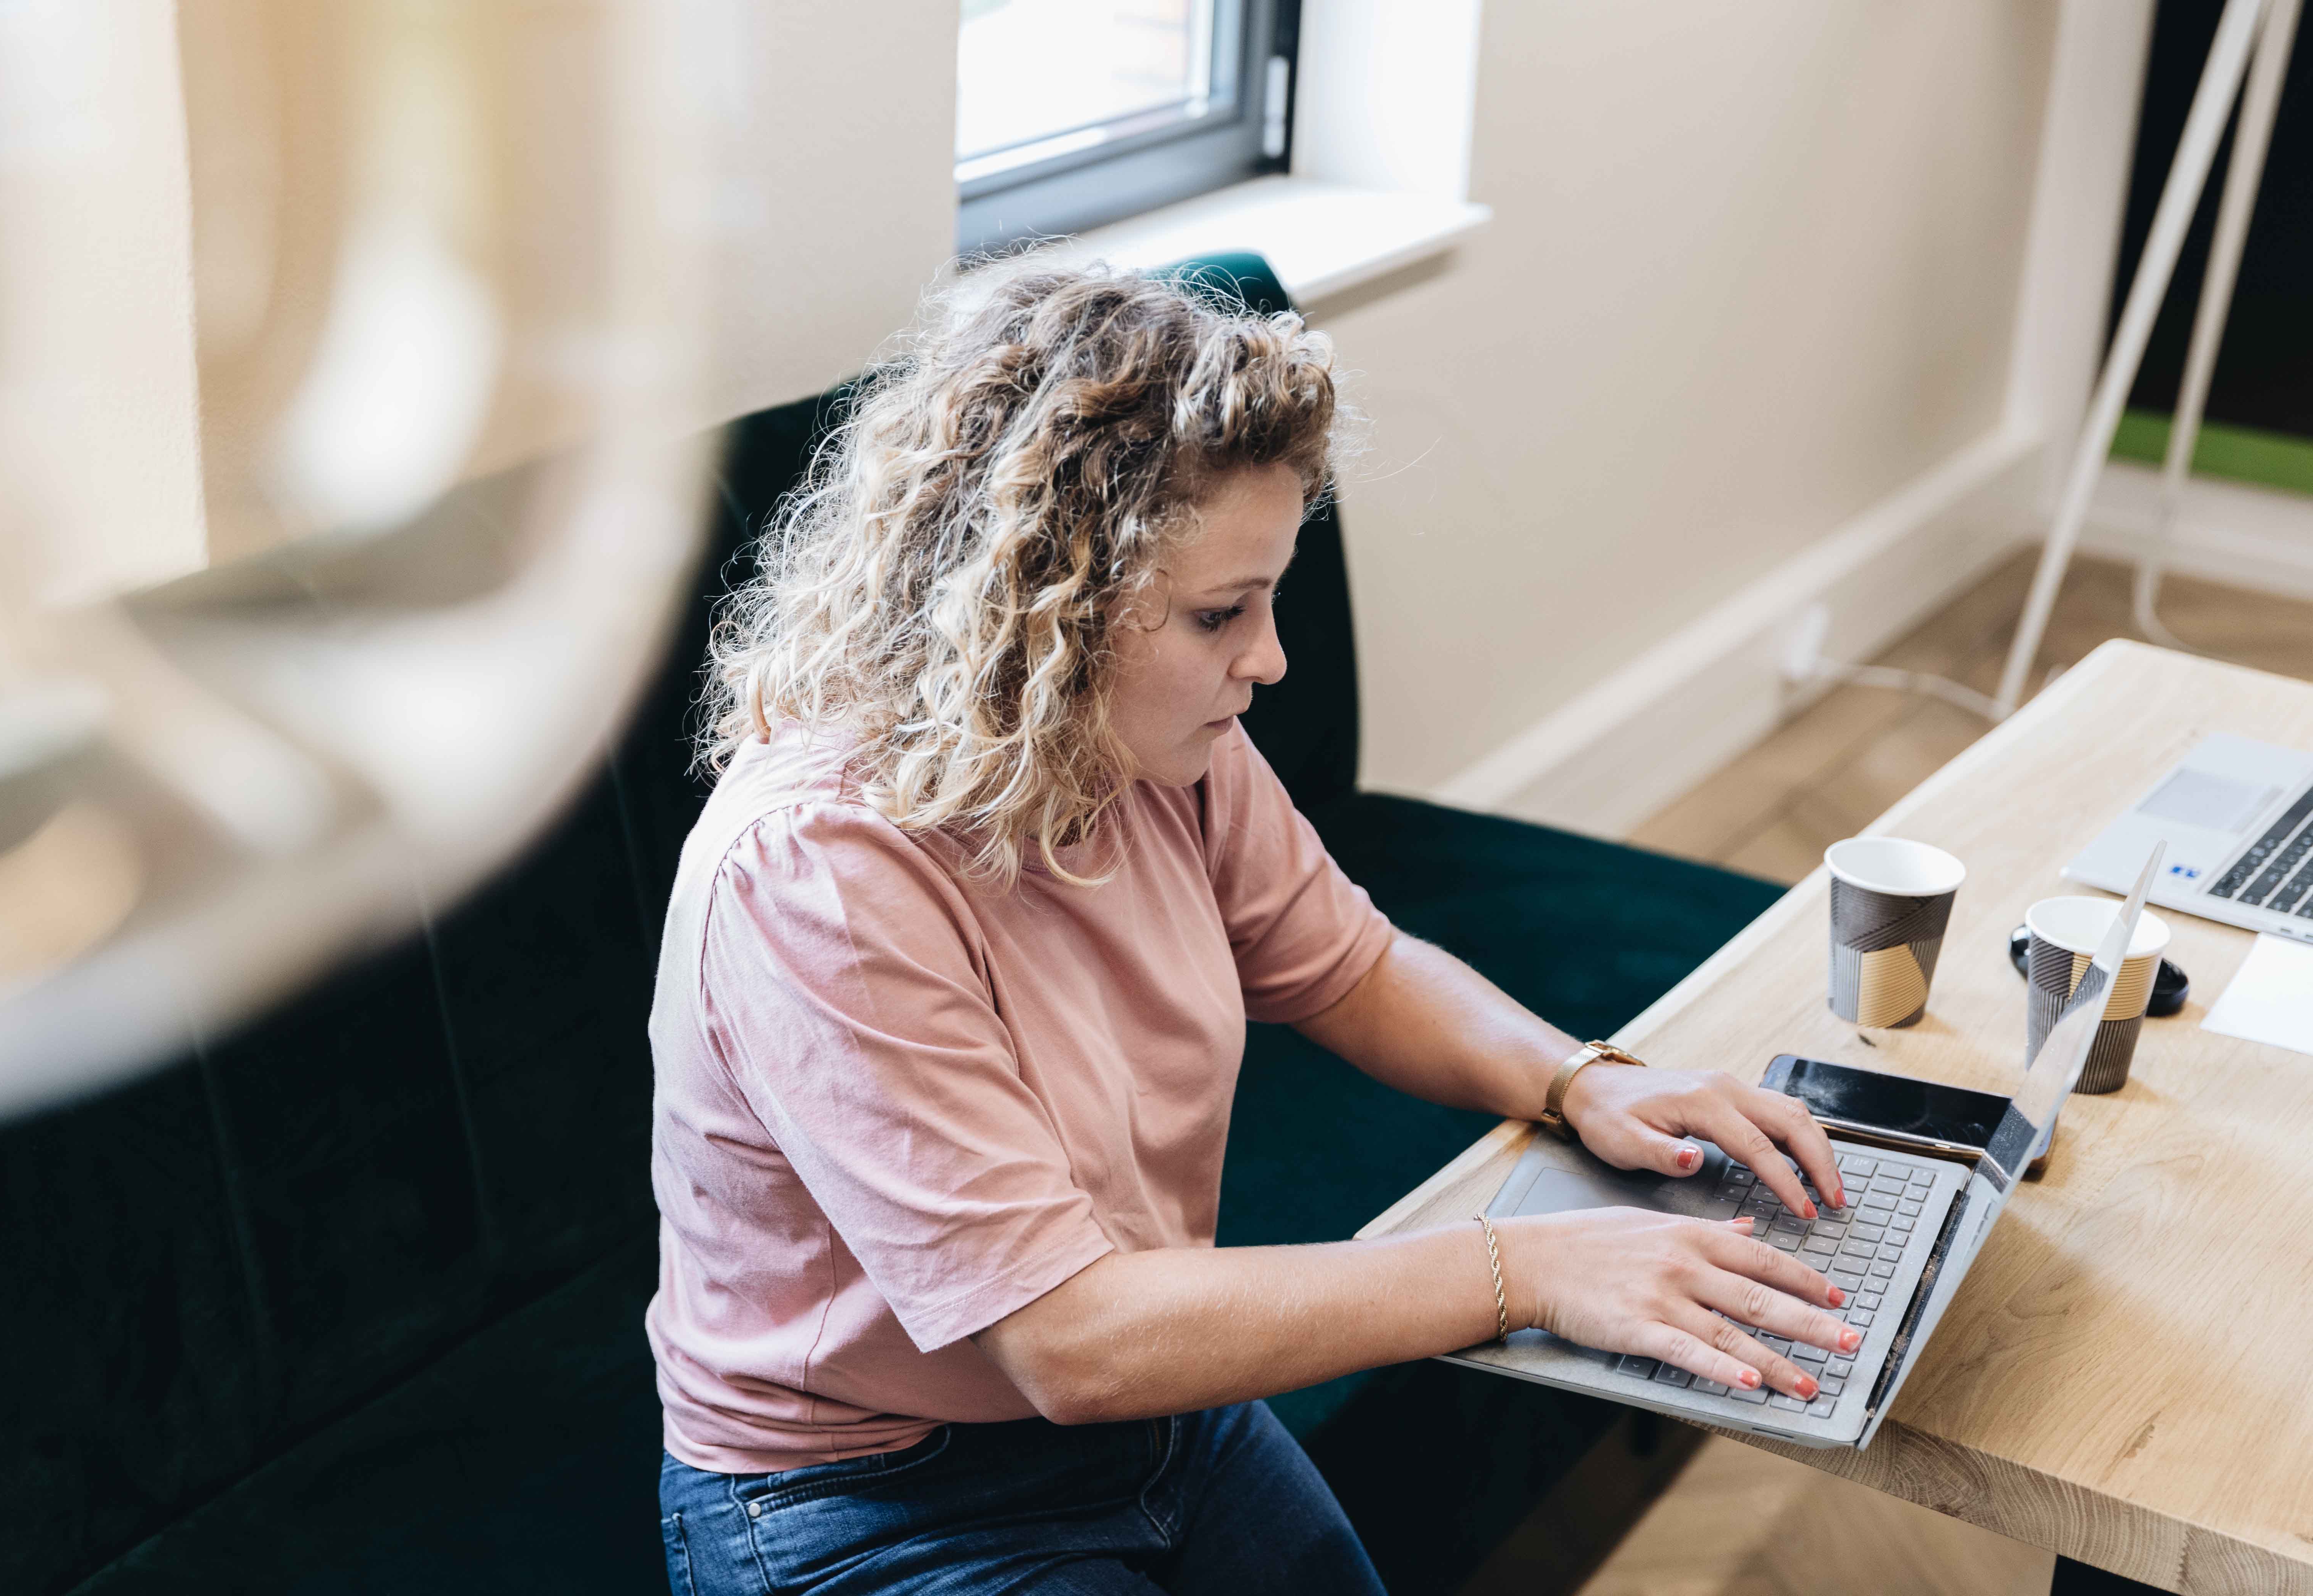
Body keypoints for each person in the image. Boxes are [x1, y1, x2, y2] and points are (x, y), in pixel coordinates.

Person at [647, 264, 1856, 1596]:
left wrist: (1586, 1077)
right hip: (877, 1495)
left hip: (1155, 1419)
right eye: (1223, 614)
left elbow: (1353, 964)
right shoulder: (817, 874)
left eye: (1268, 599)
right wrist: (1525, 1271)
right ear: (1039, 606)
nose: (1271, 657)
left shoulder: (1151, 741)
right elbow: (1070, 1338)